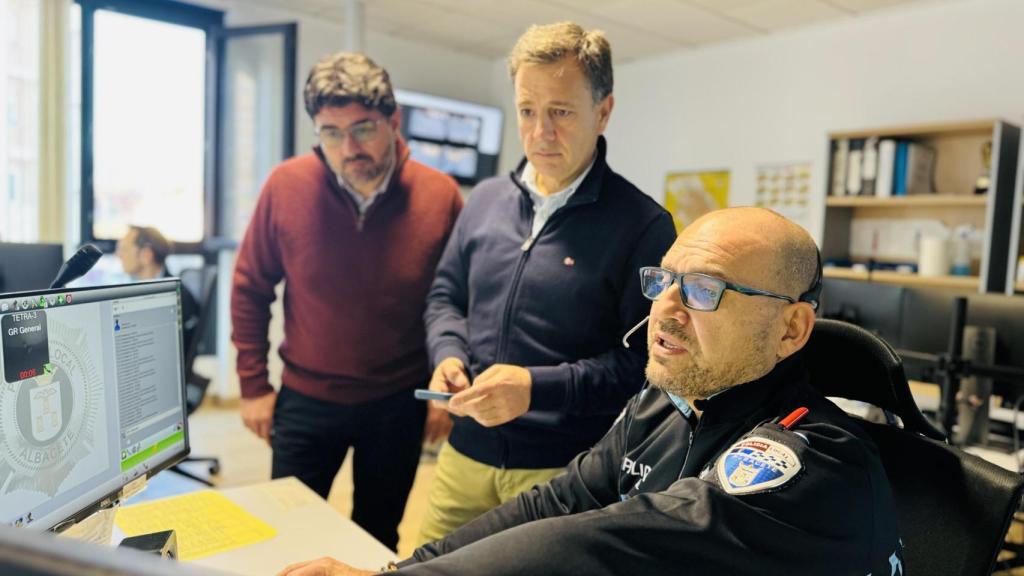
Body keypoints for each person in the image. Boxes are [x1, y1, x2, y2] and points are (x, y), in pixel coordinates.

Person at [274, 207, 905, 576]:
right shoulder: (665, 405)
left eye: (705, 291)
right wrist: (401, 568)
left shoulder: (816, 461)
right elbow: (556, 504)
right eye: (664, 281)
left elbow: (602, 539)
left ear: (791, 328)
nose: (666, 308)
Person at [416, 21, 677, 543]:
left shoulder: (644, 226)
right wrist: (447, 353)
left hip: (564, 472)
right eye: (527, 111)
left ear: (603, 112)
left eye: (560, 111)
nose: (540, 132)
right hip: (464, 455)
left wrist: (535, 389)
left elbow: (645, 367)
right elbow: (445, 296)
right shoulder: (485, 201)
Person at [230, 52, 463, 551]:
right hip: (306, 401)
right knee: (284, 539)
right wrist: (252, 385)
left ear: (393, 122)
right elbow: (250, 284)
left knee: (376, 539)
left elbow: (458, 301)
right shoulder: (286, 186)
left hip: (398, 403)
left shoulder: (440, 196)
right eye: (330, 133)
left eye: (363, 128)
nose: (347, 147)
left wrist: (442, 390)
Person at [116, 225, 199, 351]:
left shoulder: (176, 298)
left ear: (146, 255)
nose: (118, 254)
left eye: (124, 249)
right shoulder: (142, 292)